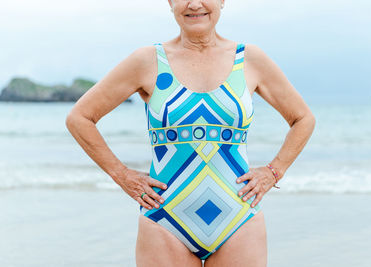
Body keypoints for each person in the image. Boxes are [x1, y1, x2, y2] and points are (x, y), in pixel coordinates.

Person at [65, 0, 316, 266]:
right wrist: (121, 175)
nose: (195, 4)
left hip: (239, 219)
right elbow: (80, 118)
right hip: (164, 220)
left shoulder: (250, 59)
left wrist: (273, 171)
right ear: (170, 2)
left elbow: (303, 118)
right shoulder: (148, 61)